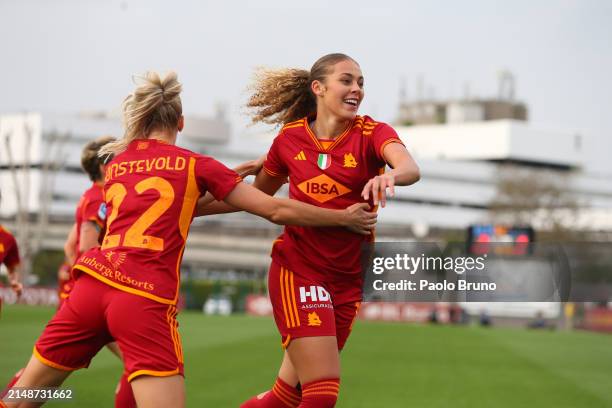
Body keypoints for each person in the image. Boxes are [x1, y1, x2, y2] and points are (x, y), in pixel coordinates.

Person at [4, 71, 375, 408]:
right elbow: (275, 210)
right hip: (142, 298)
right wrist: (342, 217)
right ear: (180, 122)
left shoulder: (117, 165)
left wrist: (229, 177)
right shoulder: (196, 164)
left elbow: (165, 198)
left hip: (89, 290)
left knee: (25, 396)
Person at [227, 53, 420, 407]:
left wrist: (392, 175)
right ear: (319, 87)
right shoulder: (289, 139)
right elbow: (255, 198)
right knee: (321, 395)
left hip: (346, 282)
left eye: (360, 82)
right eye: (347, 80)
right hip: (299, 272)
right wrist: (193, 203)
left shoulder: (372, 133)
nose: (356, 89)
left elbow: (409, 167)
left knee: (285, 397)